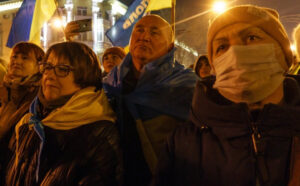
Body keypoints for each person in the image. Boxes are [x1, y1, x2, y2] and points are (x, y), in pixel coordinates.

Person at [154, 5, 300, 186]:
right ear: (215, 67)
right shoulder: (182, 145)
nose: (236, 51)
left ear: (284, 53)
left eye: (251, 37)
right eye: (222, 47)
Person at [6, 42, 122, 186]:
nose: (49, 75)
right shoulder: (29, 122)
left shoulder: (100, 135)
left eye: (62, 69)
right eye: (47, 67)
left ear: (84, 78)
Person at [104, 15, 197, 186]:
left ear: (170, 47)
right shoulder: (110, 83)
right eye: (139, 30)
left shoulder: (187, 86)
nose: (144, 37)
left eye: (154, 33)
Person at [0, 42, 44, 184]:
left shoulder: (41, 97)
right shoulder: (5, 92)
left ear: (39, 66)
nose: (17, 61)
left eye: (25, 58)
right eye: (15, 56)